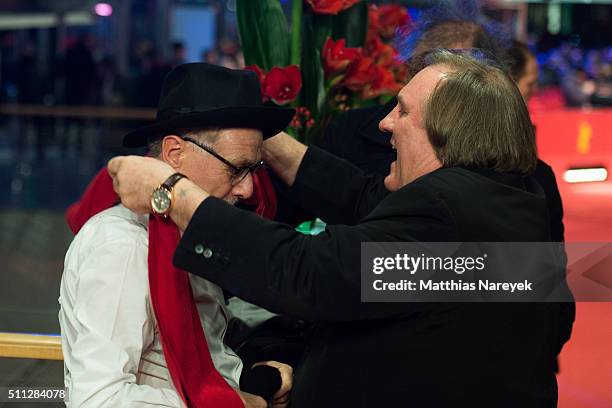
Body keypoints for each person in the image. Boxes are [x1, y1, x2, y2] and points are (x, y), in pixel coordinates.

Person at [108, 50, 574, 407]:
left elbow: (308, 273)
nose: (385, 123)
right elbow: (365, 199)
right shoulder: (513, 198)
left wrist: (172, 190)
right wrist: (261, 136)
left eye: (404, 111)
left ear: (449, 135)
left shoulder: (447, 213)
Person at [59, 63, 295, 408]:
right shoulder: (124, 245)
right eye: (236, 168)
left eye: (254, 170)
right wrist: (242, 403)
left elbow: (202, 359)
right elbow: (98, 399)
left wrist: (250, 378)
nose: (247, 188)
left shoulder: (183, 231)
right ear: (174, 153)